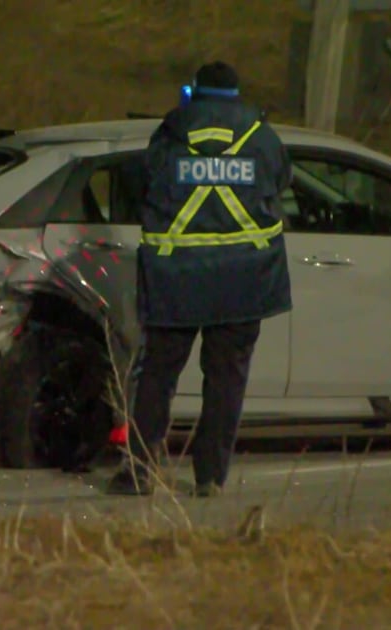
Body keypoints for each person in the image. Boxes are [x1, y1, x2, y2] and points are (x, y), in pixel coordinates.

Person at [105, 61, 294, 497]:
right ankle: (210, 477)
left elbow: (142, 186)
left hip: (178, 278)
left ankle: (140, 470)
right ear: (235, 93)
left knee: (158, 377)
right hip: (244, 280)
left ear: (195, 90)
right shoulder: (261, 137)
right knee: (226, 381)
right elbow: (281, 180)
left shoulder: (169, 135)